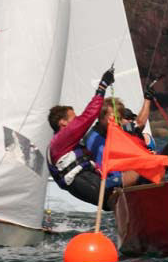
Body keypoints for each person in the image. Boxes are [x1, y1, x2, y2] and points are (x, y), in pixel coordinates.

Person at [47, 67, 116, 209]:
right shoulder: (60, 140)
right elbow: (88, 116)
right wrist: (102, 86)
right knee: (113, 196)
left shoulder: (67, 144)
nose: (78, 120)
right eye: (74, 118)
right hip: (80, 180)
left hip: (85, 178)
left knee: (115, 193)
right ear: (63, 123)